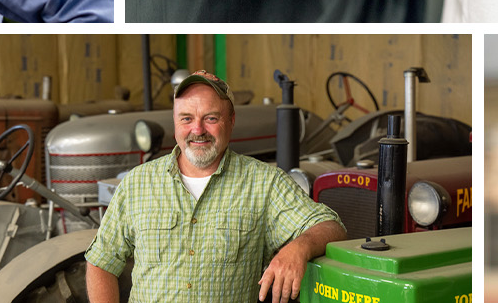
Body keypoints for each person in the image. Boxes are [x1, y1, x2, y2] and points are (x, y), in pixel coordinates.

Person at [85, 71, 347, 303]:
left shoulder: (264, 183)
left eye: (210, 118)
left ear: (231, 121)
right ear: (175, 121)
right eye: (186, 119)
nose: (197, 130)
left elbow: (331, 226)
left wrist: (298, 248)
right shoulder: (137, 183)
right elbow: (102, 263)